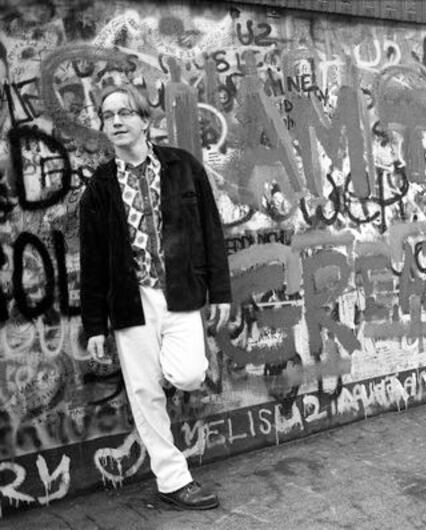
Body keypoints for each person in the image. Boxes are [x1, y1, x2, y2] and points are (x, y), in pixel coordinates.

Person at [80, 84, 231, 510]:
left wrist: (219, 291)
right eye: (108, 116)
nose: (116, 122)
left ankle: (157, 373)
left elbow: (211, 231)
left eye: (125, 113)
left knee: (188, 374)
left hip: (181, 292)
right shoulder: (101, 187)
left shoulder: (182, 167)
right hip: (132, 301)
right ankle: (174, 480)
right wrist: (95, 325)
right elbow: (92, 262)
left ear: (145, 121)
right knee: (145, 393)